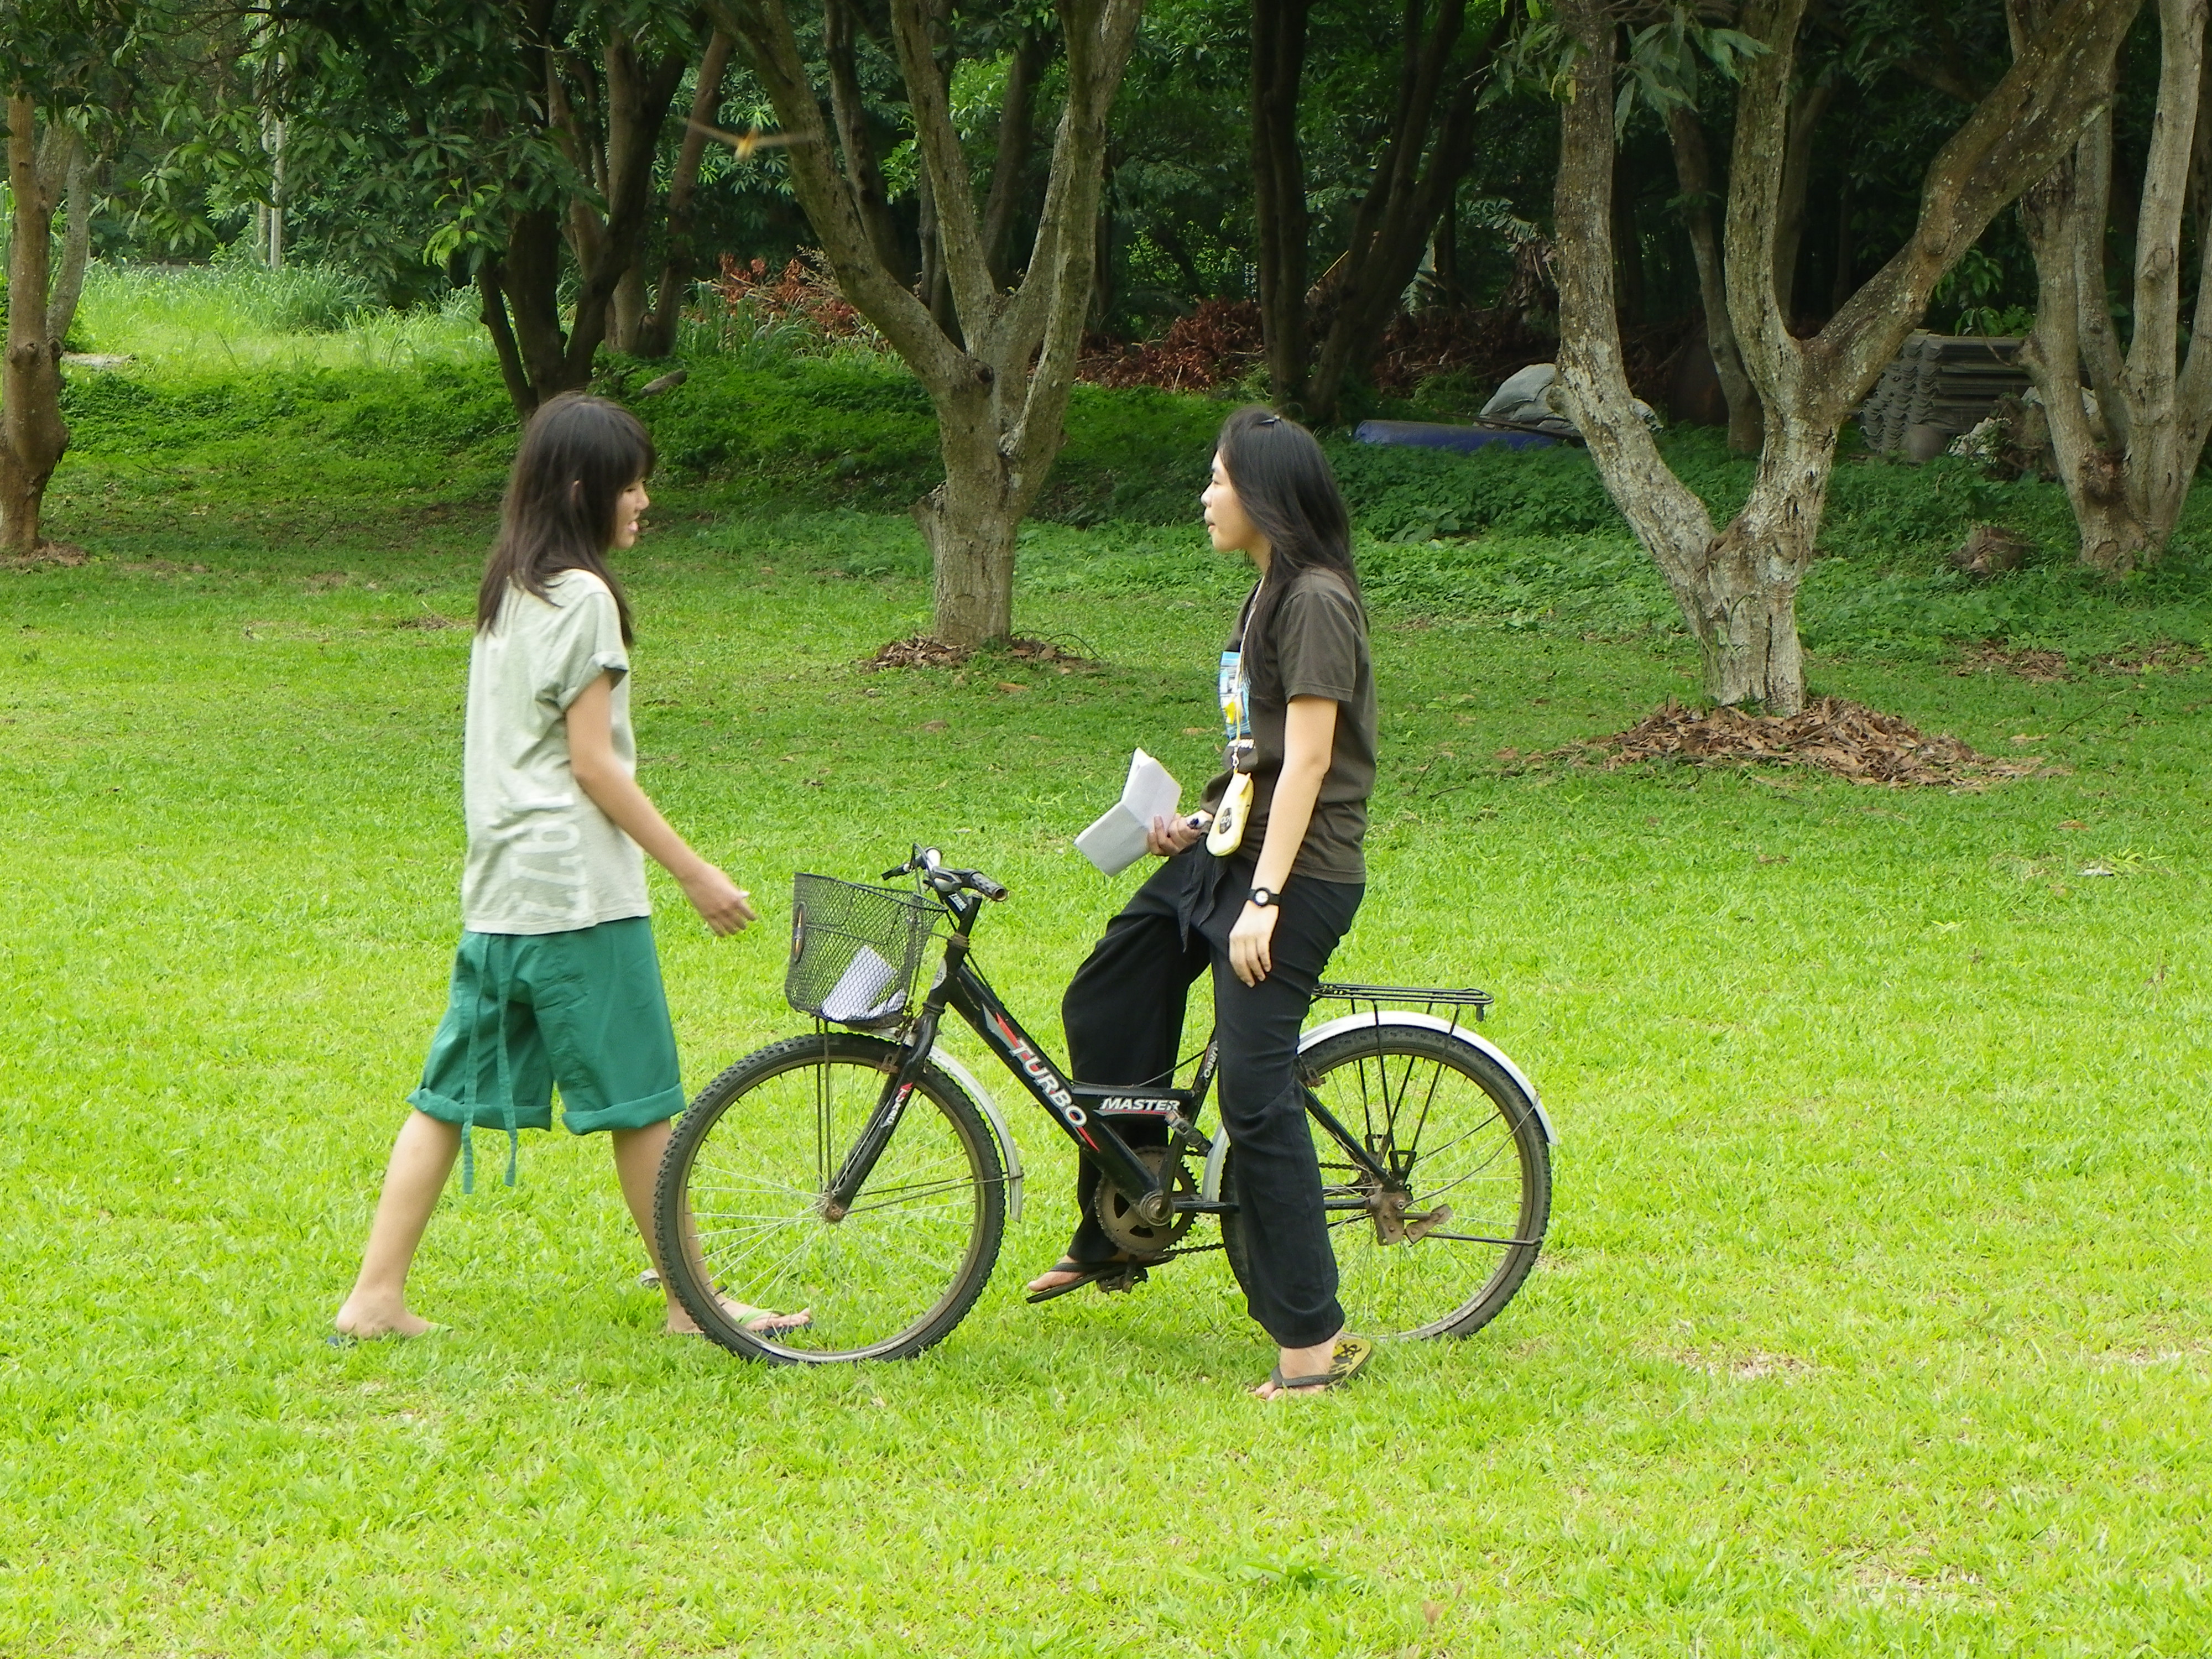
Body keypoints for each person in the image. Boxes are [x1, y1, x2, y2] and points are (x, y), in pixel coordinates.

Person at [334, 393, 804, 1342]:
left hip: (503, 892)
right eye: (632, 486)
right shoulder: (585, 599)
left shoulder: (508, 587)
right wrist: (694, 872)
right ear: (587, 489)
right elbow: (594, 765)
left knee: (447, 1097)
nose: (644, 503)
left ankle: (374, 1298)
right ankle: (692, 1304)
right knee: (644, 1103)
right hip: (577, 896)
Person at [1025, 406, 1379, 1398]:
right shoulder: (1265, 593)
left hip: (1296, 874)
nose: (1206, 495)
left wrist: (1263, 898)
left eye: (1219, 478)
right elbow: (1258, 759)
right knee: (1110, 989)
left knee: (1254, 1101)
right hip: (1231, 849)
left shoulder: (1316, 600)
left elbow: (1310, 761)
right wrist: (1197, 822)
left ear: (1264, 492)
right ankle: (1124, 1215)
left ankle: (1311, 1346)